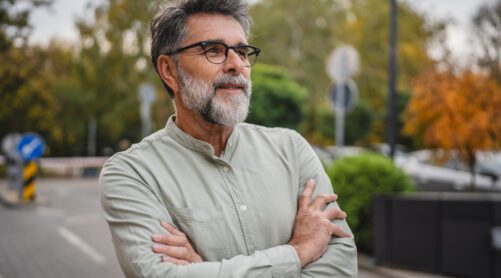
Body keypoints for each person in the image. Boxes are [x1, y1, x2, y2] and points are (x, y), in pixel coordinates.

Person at [99, 0, 357, 277]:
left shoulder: (291, 149)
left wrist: (203, 270)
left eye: (243, 52)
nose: (236, 65)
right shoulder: (132, 173)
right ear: (169, 71)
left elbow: (340, 267)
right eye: (213, 50)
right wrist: (298, 252)